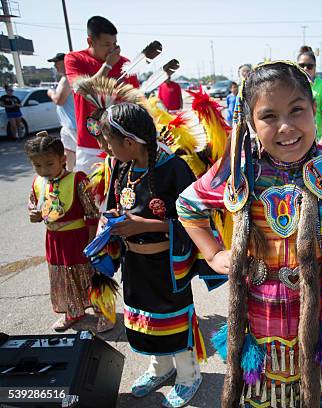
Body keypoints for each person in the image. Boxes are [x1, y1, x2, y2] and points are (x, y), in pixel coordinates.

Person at [177, 61, 322, 408]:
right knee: (269, 395)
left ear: (314, 110)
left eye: (297, 110)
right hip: (260, 314)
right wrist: (213, 254)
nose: (286, 127)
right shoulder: (238, 171)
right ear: (252, 124)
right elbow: (188, 206)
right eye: (269, 116)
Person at [99, 103, 206, 408]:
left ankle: (188, 375)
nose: (107, 148)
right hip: (135, 262)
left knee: (173, 319)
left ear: (130, 143)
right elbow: (120, 203)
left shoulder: (174, 168)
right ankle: (160, 368)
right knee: (145, 317)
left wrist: (144, 224)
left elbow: (195, 221)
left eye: (110, 142)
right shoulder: (121, 166)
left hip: (167, 265)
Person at [25, 131, 113, 332]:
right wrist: (33, 214)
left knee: (88, 274)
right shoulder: (38, 182)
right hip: (54, 240)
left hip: (78, 238)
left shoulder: (77, 180)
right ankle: (72, 311)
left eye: (49, 164)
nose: (44, 170)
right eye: (37, 165)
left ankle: (104, 312)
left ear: (63, 159)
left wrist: (91, 243)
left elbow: (91, 214)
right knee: (62, 276)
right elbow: (33, 203)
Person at [64, 16, 139, 174]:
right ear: (90, 41)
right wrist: (108, 65)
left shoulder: (126, 63)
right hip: (89, 145)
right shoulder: (74, 59)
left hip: (122, 143)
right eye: (106, 44)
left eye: (114, 44)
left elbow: (136, 101)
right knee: (91, 195)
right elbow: (82, 89)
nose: (112, 49)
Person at [297, 46, 322, 145]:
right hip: (294, 137)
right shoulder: (290, 86)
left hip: (314, 139)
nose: (305, 68)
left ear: (315, 67)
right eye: (301, 65)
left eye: (309, 66)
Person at [47, 53, 77, 171]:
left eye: (57, 63)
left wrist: (50, 92)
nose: (55, 66)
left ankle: (83, 177)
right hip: (67, 124)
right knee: (69, 151)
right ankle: (68, 174)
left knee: (79, 152)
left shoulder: (67, 79)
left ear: (65, 62)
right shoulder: (66, 78)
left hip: (73, 124)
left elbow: (59, 100)